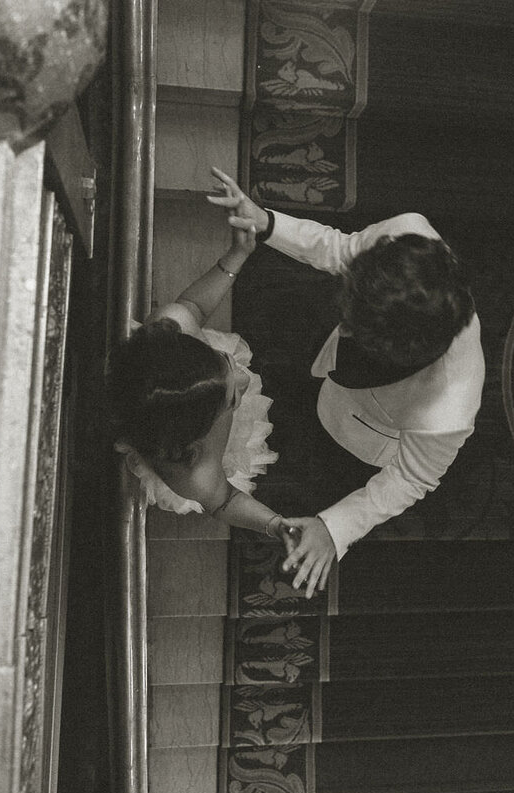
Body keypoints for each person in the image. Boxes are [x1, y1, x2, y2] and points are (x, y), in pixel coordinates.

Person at [208, 168, 486, 597]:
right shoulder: (407, 234)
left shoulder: (449, 408)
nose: (344, 325)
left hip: (358, 438)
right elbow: (340, 248)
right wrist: (265, 222)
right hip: (335, 373)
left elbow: (411, 480)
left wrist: (331, 527)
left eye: (356, 327)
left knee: (295, 467)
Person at [107, 186, 295, 550]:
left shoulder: (174, 323)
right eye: (234, 398)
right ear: (197, 438)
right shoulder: (195, 473)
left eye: (226, 362)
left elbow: (192, 306)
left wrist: (238, 254)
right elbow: (222, 500)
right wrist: (274, 524)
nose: (244, 376)